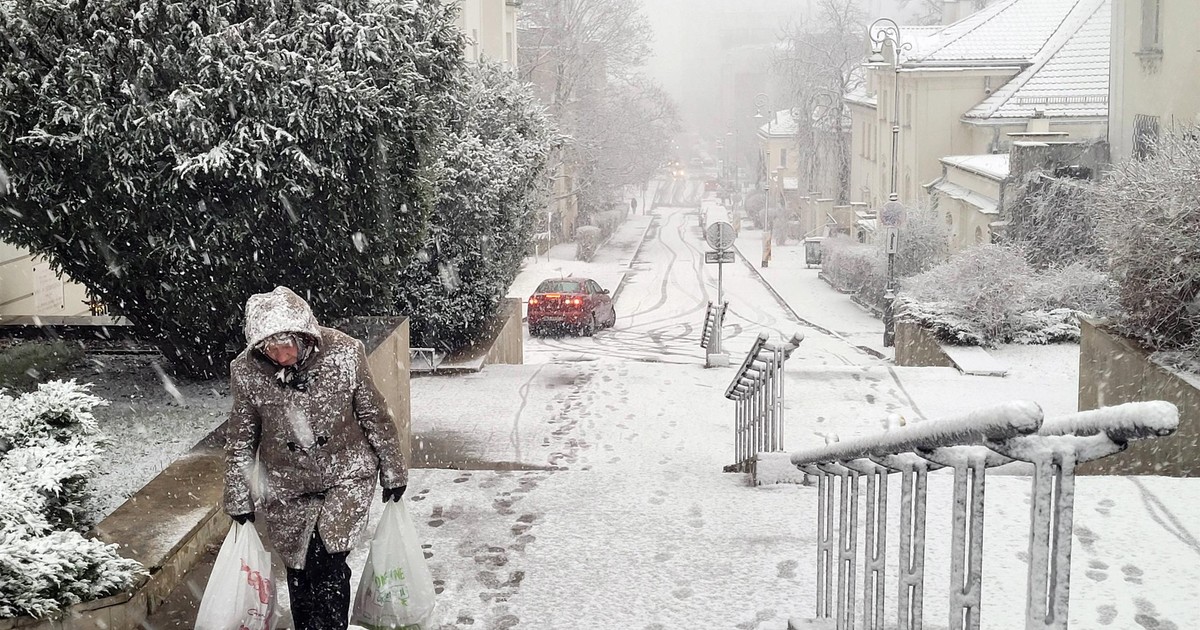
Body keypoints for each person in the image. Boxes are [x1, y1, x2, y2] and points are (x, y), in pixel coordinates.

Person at [223, 286, 408, 630]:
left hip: (345, 475)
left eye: (286, 346)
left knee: (328, 561)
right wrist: (238, 496)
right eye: (271, 349)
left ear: (304, 334)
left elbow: (374, 415)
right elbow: (241, 438)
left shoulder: (347, 353)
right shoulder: (247, 371)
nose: (280, 356)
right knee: (298, 570)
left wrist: (394, 471)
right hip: (286, 487)